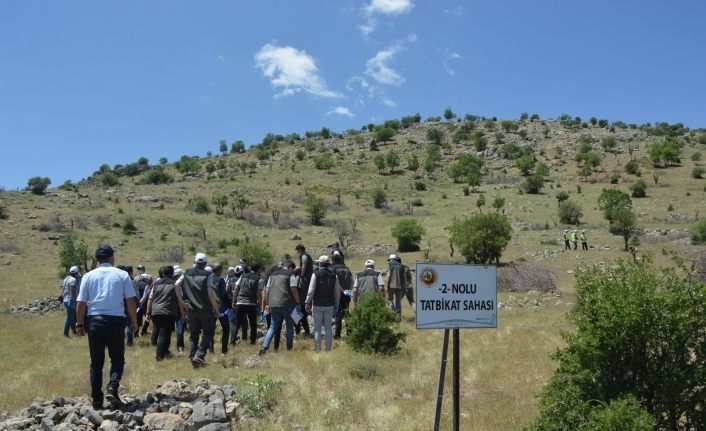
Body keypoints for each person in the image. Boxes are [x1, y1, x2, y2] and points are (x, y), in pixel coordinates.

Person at [76, 245, 138, 409]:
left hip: (94, 321)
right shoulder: (122, 275)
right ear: (111, 257)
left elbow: (81, 303)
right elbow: (130, 301)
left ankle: (97, 400)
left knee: (96, 362)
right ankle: (112, 386)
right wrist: (134, 321)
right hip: (115, 321)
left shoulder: (88, 276)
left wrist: (79, 324)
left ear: (97, 259)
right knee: (117, 358)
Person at [175, 252, 221, 367]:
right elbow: (210, 294)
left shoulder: (186, 273)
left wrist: (181, 301)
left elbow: (176, 285)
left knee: (193, 335)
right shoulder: (207, 274)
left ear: (195, 262)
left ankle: (192, 357)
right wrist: (217, 309)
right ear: (205, 263)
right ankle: (199, 355)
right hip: (204, 308)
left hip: (190, 309)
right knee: (208, 332)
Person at [260, 263, 301, 355]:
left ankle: (264, 347)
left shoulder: (271, 276)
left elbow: (267, 291)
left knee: (272, 327)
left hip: (274, 304)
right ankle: (289, 349)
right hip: (288, 304)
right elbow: (293, 289)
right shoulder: (290, 275)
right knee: (290, 326)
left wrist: (267, 304)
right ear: (288, 268)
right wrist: (298, 302)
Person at [146, 266, 184, 360]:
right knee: (164, 334)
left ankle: (166, 351)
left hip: (155, 311)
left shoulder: (156, 283)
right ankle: (159, 356)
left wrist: (148, 312)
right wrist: (182, 313)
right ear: (173, 273)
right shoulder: (175, 284)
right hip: (168, 311)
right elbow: (180, 300)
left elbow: (150, 298)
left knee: (165, 333)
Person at [305, 256, 343, 352]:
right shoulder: (334, 275)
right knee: (328, 328)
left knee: (317, 328)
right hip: (329, 305)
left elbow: (311, 290)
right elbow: (337, 292)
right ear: (328, 264)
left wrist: (307, 302)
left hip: (317, 304)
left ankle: (317, 349)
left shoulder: (315, 274)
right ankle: (328, 349)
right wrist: (336, 304)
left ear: (319, 264)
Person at [232, 263, 262, 346]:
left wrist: (234, 301)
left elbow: (236, 288)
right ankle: (252, 343)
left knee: (236, 324)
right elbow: (259, 294)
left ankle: (232, 342)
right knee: (253, 325)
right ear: (259, 270)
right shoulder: (259, 279)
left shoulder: (243, 276)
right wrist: (260, 306)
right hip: (251, 304)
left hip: (240, 303)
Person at [330, 253, 352, 339]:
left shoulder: (333, 269)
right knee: (346, 312)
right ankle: (349, 332)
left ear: (333, 260)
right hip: (347, 294)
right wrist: (348, 291)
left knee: (338, 313)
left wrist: (342, 291)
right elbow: (351, 280)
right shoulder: (347, 268)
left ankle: (337, 335)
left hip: (339, 294)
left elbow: (336, 282)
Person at [211, 263, 231, 356]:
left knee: (210, 330)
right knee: (226, 329)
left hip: (210, 308)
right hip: (221, 308)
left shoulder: (208, 279)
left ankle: (210, 350)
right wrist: (229, 305)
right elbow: (223, 294)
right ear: (219, 270)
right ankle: (224, 350)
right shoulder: (220, 280)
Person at [294, 244, 313, 338]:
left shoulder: (304, 256)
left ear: (300, 249)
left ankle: (300, 331)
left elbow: (304, 265)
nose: (297, 252)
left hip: (304, 284)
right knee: (300, 311)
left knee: (298, 310)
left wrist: (301, 275)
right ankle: (305, 331)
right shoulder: (306, 256)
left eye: (297, 250)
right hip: (306, 284)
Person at [62, 266, 81, 337]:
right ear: (76, 273)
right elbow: (73, 290)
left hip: (65, 300)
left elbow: (63, 290)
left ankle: (73, 330)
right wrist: (74, 301)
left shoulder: (66, 279)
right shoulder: (73, 280)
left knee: (72, 316)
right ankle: (65, 333)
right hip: (71, 300)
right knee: (69, 318)